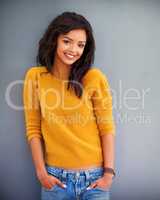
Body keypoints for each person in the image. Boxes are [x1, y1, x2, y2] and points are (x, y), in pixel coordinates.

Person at [23, 11, 116, 200]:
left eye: (80, 44)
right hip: (55, 181)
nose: (73, 49)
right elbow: (33, 129)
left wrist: (108, 174)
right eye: (67, 41)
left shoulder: (94, 78)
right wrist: (41, 173)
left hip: (94, 180)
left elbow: (106, 128)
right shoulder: (35, 77)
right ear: (54, 40)